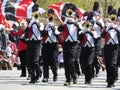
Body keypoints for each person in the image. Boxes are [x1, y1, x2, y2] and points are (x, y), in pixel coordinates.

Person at [58, 11, 81, 85]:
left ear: (74, 17)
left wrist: (73, 22)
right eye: (69, 16)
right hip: (66, 44)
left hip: (74, 44)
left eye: (71, 17)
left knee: (71, 62)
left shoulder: (77, 24)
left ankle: (74, 75)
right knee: (66, 63)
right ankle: (68, 79)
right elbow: (59, 29)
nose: (70, 18)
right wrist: (65, 22)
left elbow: (80, 28)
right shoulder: (65, 25)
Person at [101, 9, 120, 87]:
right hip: (107, 47)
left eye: (114, 18)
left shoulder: (118, 26)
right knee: (108, 65)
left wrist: (115, 28)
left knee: (113, 64)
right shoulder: (106, 27)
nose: (112, 19)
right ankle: (109, 82)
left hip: (115, 47)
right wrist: (107, 28)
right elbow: (102, 36)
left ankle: (112, 81)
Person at [41, 11, 59, 82]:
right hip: (45, 44)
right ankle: (46, 77)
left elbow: (57, 34)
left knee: (53, 61)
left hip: (53, 45)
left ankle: (55, 75)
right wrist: (45, 28)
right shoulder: (45, 27)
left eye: (51, 18)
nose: (49, 19)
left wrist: (52, 27)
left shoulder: (56, 26)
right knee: (45, 62)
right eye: (48, 18)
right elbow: (41, 35)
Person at [27, 11, 44, 83]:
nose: (34, 17)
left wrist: (35, 22)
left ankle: (39, 73)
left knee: (35, 61)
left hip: (37, 43)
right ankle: (32, 77)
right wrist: (30, 24)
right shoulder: (30, 24)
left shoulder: (41, 24)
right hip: (30, 42)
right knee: (28, 62)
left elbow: (41, 29)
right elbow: (26, 31)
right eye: (34, 16)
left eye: (36, 16)